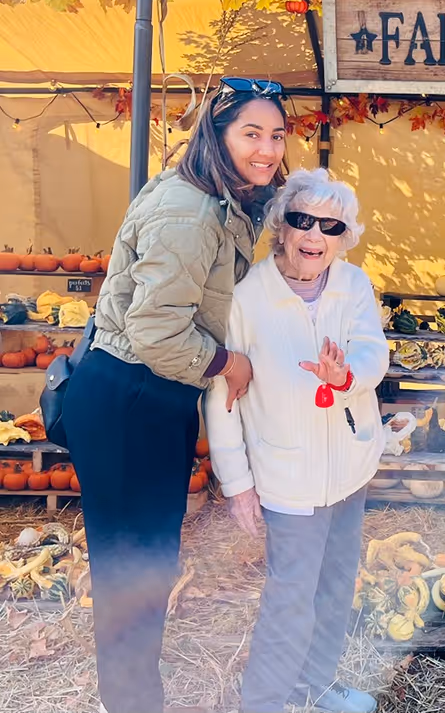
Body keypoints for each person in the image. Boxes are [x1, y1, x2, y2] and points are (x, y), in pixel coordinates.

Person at [62, 78, 288, 713]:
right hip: (130, 395)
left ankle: (134, 697)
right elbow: (156, 331)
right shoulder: (190, 211)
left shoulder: (210, 197)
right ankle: (133, 702)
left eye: (276, 135)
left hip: (147, 396)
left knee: (145, 562)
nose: (267, 149)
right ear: (217, 135)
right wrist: (226, 361)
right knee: (133, 566)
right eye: (251, 133)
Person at [204, 168, 389, 713]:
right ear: (281, 228)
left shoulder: (353, 285)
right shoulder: (245, 299)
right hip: (288, 478)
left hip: (349, 468)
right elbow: (222, 398)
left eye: (330, 226)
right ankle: (261, 702)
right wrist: (236, 483)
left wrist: (345, 376)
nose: (314, 235)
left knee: (335, 589)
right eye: (302, 220)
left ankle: (317, 685)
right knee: (290, 600)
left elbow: (372, 352)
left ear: (344, 237)